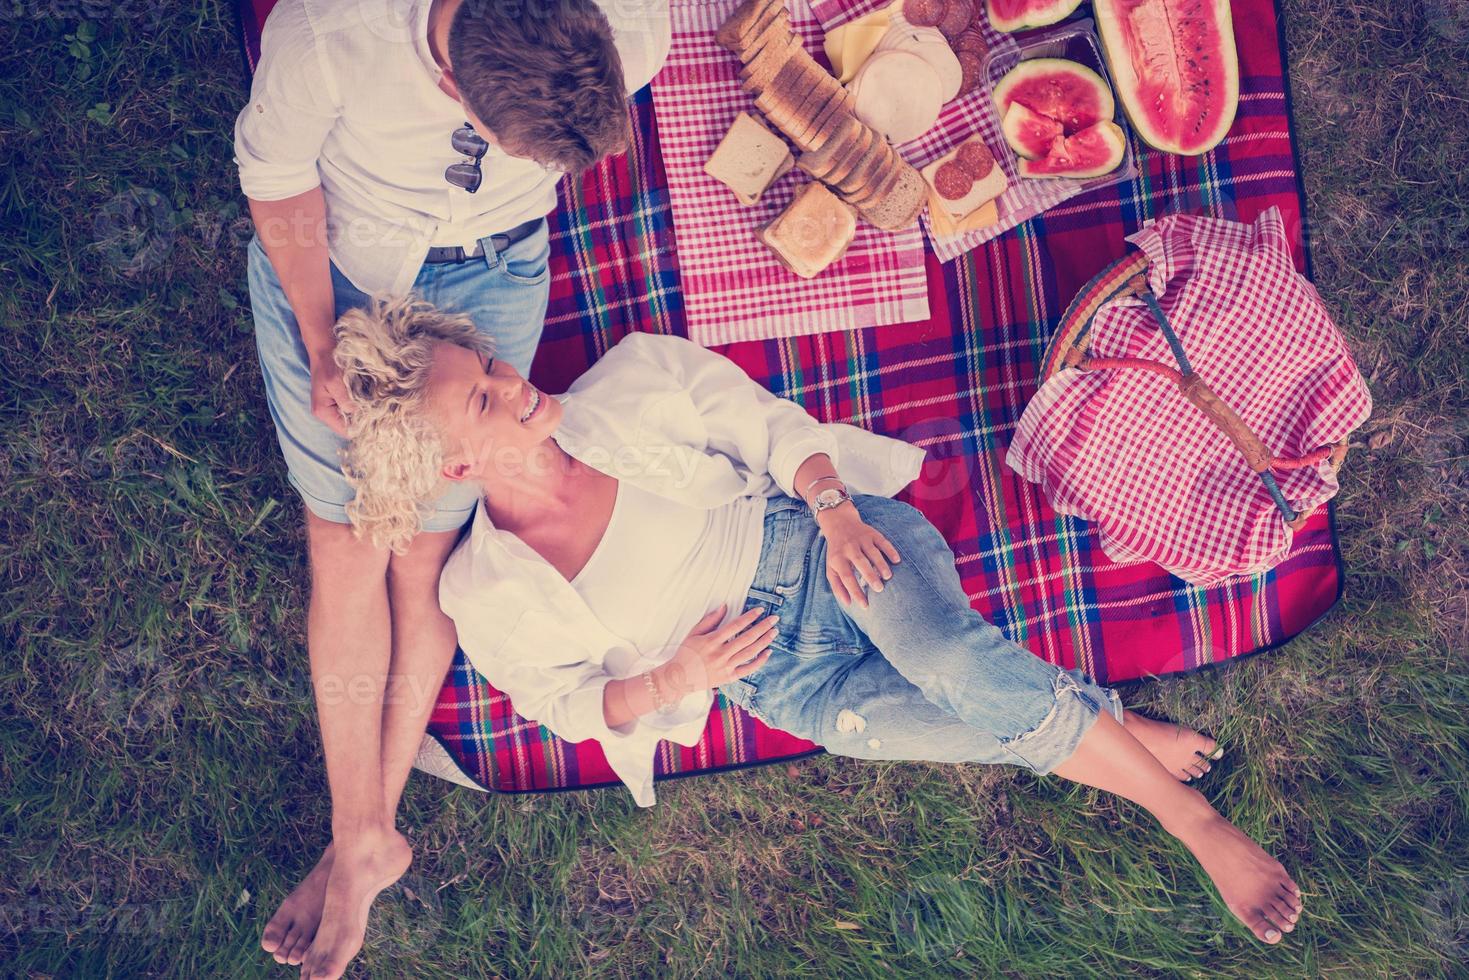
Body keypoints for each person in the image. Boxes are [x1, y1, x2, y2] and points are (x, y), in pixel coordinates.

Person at [332, 295, 1307, 949]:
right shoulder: (484, 589)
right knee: (958, 721)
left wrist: (835, 510)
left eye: (492, 363)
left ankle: (1189, 819)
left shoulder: (631, 380)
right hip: (778, 682)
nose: (516, 381)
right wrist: (677, 679)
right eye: (485, 398)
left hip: (817, 540)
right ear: (455, 468)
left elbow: (770, 427)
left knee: (947, 658)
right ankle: (1115, 727)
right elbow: (567, 704)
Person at [233, 0, 670, 974]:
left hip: (495, 273)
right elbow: (276, 182)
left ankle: (365, 840)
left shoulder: (629, 22)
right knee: (345, 541)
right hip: (341, 264)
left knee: (426, 547)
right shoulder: (332, 32)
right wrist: (316, 341)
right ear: (447, 88)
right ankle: (363, 832)